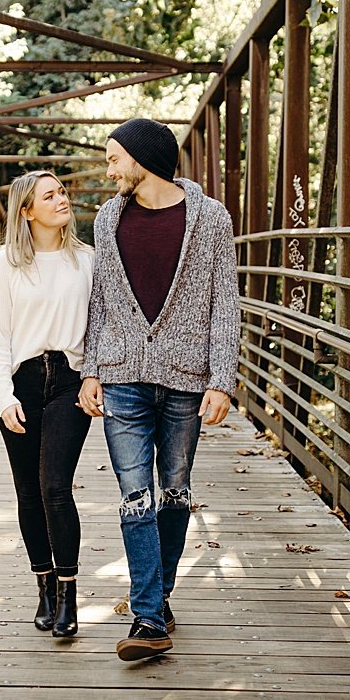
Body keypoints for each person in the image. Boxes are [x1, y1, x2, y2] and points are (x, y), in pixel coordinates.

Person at [77, 118, 240, 661]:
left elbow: (225, 307)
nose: (109, 169)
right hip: (122, 375)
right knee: (134, 495)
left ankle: (161, 597)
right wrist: (92, 370)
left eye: (113, 158)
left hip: (187, 378)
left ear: (143, 159)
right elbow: (99, 302)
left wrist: (222, 380)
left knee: (173, 490)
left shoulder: (211, 219)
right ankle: (147, 616)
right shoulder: (106, 219)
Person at [0, 170, 95, 638]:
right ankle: (44, 586)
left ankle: (69, 593)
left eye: (62, 192)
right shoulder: (6, 265)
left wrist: (94, 377)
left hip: (70, 382)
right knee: (28, 491)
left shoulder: (88, 260)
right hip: (20, 384)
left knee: (55, 486)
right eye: (49, 196)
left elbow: (103, 327)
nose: (61, 199)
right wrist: (4, 397)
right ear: (26, 211)